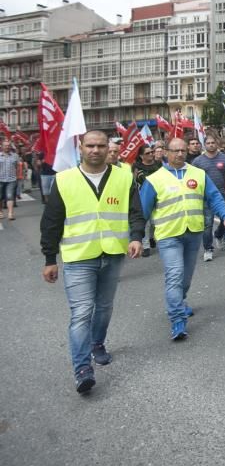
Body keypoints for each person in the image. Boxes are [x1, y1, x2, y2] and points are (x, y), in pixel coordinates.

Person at [39, 130, 144, 394]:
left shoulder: (123, 175)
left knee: (105, 308)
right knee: (82, 313)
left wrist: (136, 237)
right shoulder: (64, 180)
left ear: (108, 148)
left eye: (100, 146)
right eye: (90, 146)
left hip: (112, 253)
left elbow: (135, 212)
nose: (95, 150)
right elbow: (50, 222)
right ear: (80, 148)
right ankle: (82, 368)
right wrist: (50, 258)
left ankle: (98, 343)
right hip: (78, 257)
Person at [140, 137, 225, 340]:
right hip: (168, 235)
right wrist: (136, 237)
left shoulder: (198, 174)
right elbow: (142, 211)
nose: (180, 154)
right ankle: (177, 320)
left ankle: (180, 301)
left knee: (186, 277)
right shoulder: (154, 179)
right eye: (175, 150)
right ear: (166, 152)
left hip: (193, 233)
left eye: (183, 150)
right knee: (174, 275)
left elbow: (214, 196)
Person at [191, 131, 225, 262]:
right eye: (208, 143)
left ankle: (219, 234)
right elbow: (192, 179)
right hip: (205, 197)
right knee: (207, 224)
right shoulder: (197, 161)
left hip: (222, 194)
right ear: (204, 145)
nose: (210, 145)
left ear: (217, 143)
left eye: (213, 143)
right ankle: (208, 249)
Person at [132, 144, 162, 257]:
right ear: (141, 156)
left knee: (155, 222)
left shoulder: (158, 164)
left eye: (151, 152)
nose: (151, 155)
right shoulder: (136, 167)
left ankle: (151, 237)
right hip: (142, 197)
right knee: (146, 222)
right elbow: (133, 182)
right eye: (147, 153)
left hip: (159, 196)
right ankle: (145, 246)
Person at [0, 138, 19, 220]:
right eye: (5, 146)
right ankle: (0, 212)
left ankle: (10, 214)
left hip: (11, 180)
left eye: (8, 146)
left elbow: (17, 167)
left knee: (9, 196)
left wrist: (18, 176)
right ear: (2, 146)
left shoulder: (15, 156)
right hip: (0, 179)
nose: (7, 147)